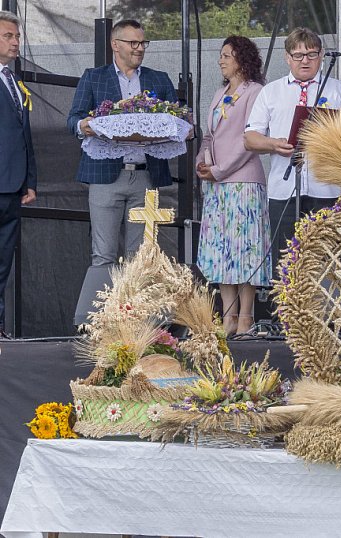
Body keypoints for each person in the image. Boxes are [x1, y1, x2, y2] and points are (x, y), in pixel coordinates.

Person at [67, 19, 178, 267]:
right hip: (105, 176)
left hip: (145, 177)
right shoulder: (93, 77)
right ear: (115, 45)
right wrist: (84, 126)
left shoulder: (159, 79)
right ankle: (107, 306)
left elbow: (179, 118)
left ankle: (134, 306)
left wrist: (185, 128)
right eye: (133, 42)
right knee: (103, 254)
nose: (139, 48)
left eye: (143, 42)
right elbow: (73, 119)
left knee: (139, 258)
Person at [244, 27, 341, 274]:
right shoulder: (271, 91)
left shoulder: (338, 91)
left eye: (312, 54)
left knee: (328, 262)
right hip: (284, 190)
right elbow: (250, 138)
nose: (305, 60)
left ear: (322, 55)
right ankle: (286, 313)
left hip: (326, 188)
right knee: (286, 263)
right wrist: (274, 144)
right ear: (287, 57)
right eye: (298, 55)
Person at [195, 36, 269, 337]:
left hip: (244, 182)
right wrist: (201, 162)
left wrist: (221, 170)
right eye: (221, 55)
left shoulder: (256, 92)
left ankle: (246, 318)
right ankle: (228, 315)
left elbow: (251, 140)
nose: (221, 60)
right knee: (221, 251)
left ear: (242, 58)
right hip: (217, 185)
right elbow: (210, 137)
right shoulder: (219, 93)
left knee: (245, 250)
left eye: (227, 55)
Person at [0, 10, 36, 339]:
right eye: (8, 36)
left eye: (17, 36)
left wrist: (30, 181)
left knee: (3, 262)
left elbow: (24, 136)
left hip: (12, 186)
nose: (15, 41)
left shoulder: (12, 79)